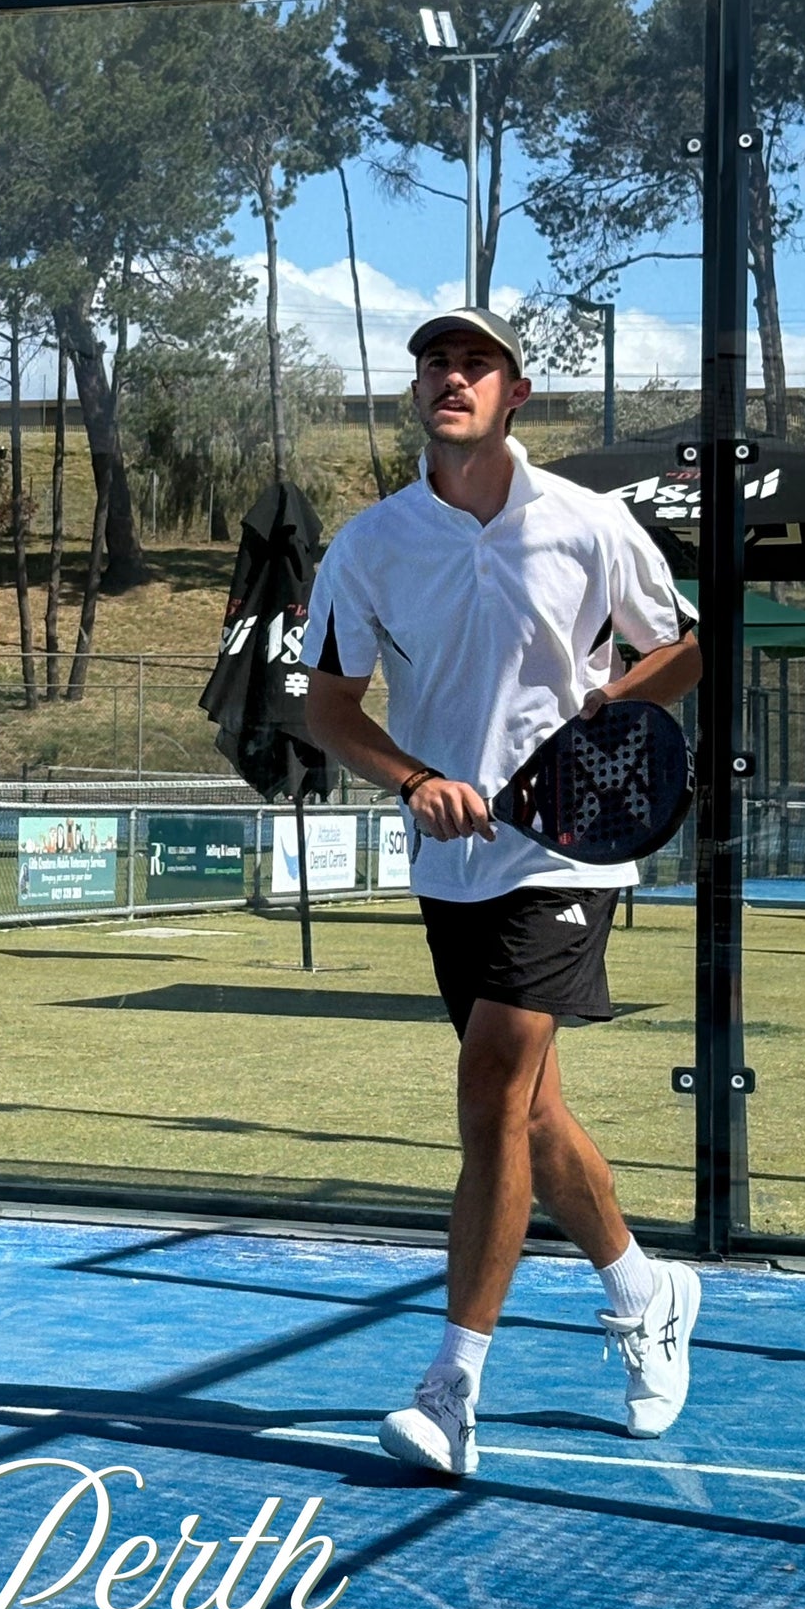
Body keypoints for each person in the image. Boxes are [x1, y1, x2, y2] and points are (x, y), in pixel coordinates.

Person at [302, 308, 703, 1477]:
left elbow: (681, 645)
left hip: (567, 854)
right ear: (416, 390)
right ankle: (643, 1292)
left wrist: (607, 709)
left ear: (513, 393)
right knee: (525, 1113)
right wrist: (413, 780)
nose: (451, 377)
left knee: (487, 1087)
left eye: (475, 364)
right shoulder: (368, 545)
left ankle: (449, 1389)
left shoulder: (588, 522)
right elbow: (327, 710)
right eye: (435, 362)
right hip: (452, 860)